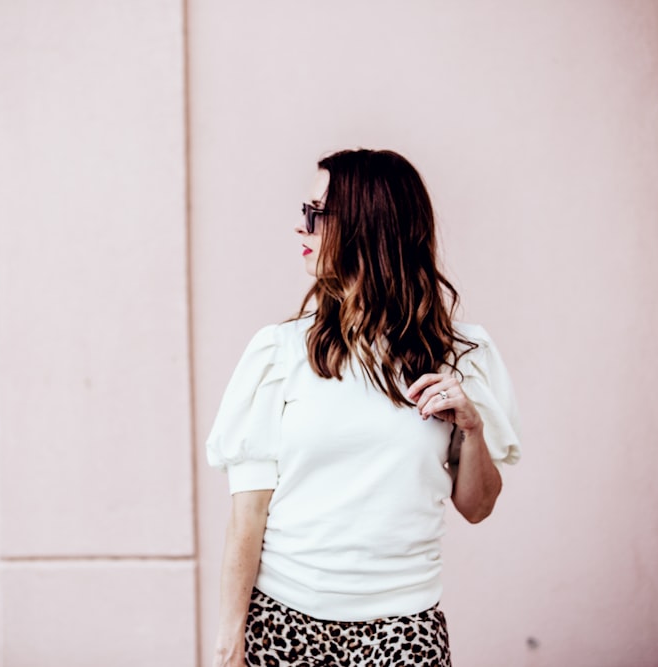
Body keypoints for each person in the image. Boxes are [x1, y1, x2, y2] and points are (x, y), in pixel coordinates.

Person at [206, 149, 521, 667]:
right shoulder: (279, 353)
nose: (298, 227)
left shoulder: (461, 355)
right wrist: (228, 640)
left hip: (405, 629)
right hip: (284, 622)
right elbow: (248, 513)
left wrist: (473, 428)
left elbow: (477, 507)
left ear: (364, 225)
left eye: (314, 213)